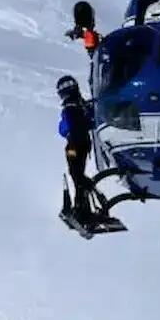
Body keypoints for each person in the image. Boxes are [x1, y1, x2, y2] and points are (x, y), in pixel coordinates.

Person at [57, 75, 94, 217]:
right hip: (83, 144)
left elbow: (66, 128)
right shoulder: (81, 104)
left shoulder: (71, 107)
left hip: (73, 146)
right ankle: (82, 206)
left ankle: (81, 206)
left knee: (75, 173)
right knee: (77, 173)